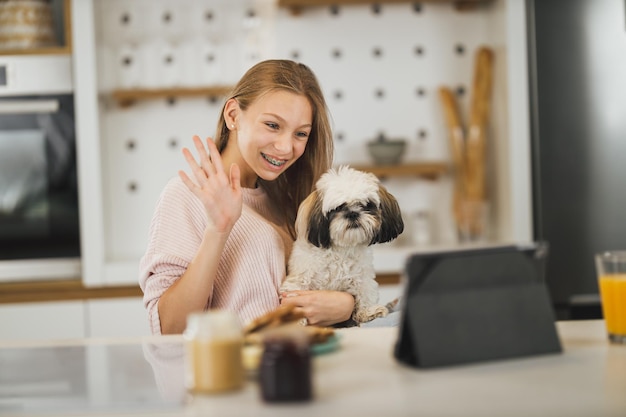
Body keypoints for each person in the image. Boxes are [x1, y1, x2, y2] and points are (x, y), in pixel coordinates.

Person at [139, 59, 356, 335]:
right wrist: (218, 231)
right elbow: (171, 328)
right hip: (236, 374)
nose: (286, 147)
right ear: (233, 116)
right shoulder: (188, 194)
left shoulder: (284, 199)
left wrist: (345, 305)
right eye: (273, 125)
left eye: (300, 133)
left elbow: (295, 301)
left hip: (293, 367)